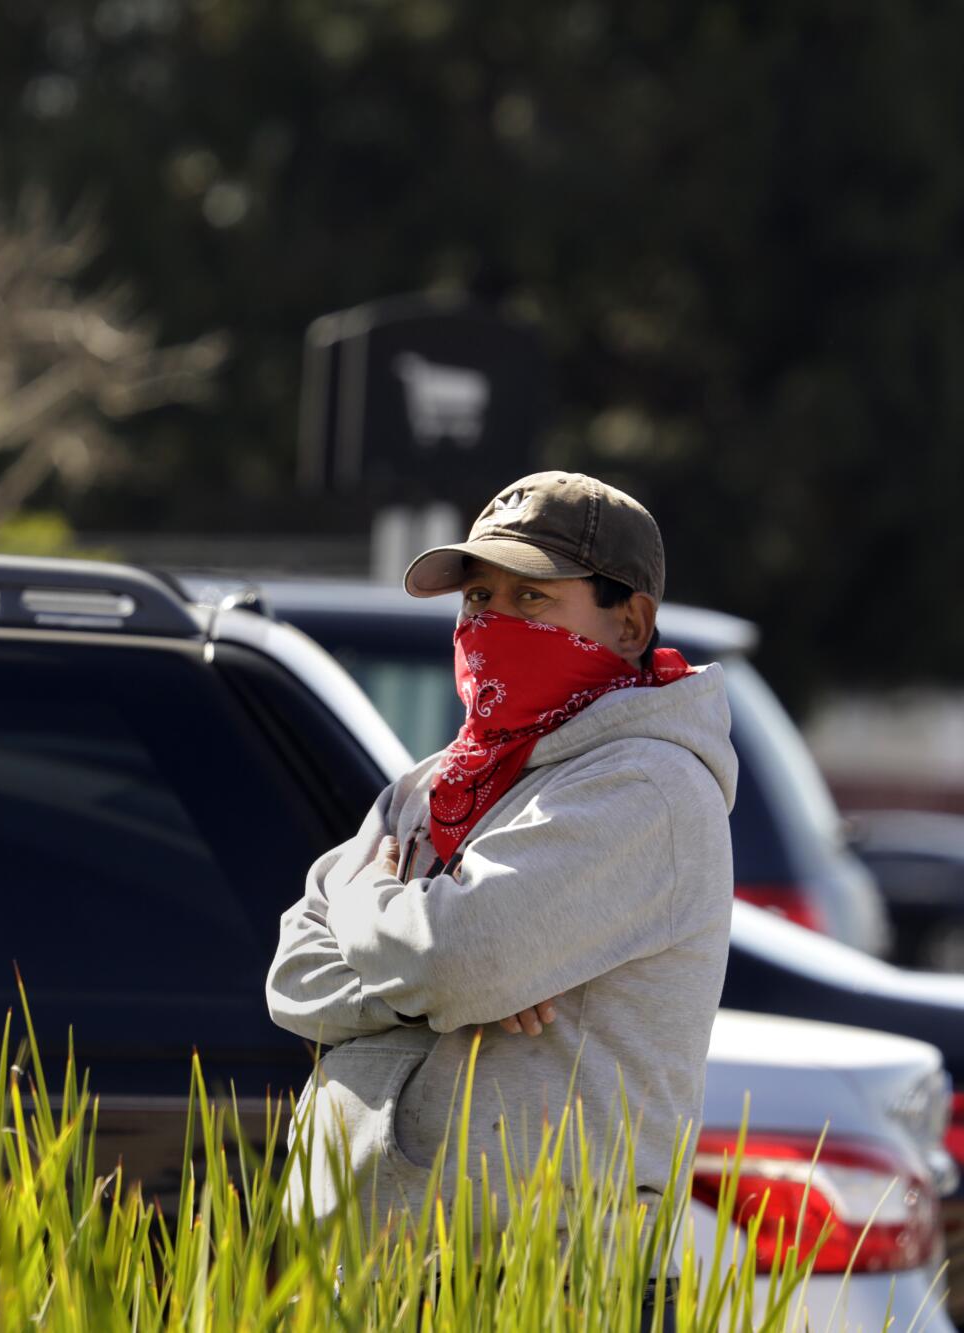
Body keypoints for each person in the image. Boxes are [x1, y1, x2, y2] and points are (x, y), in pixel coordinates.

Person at [265, 471, 737, 1330]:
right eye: (479, 595)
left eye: (532, 597)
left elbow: (456, 959)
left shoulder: (647, 786)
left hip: (548, 1283)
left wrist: (368, 896)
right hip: (380, 1269)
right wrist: (429, 987)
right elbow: (293, 973)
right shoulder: (439, 781)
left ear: (628, 622)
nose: (491, 624)